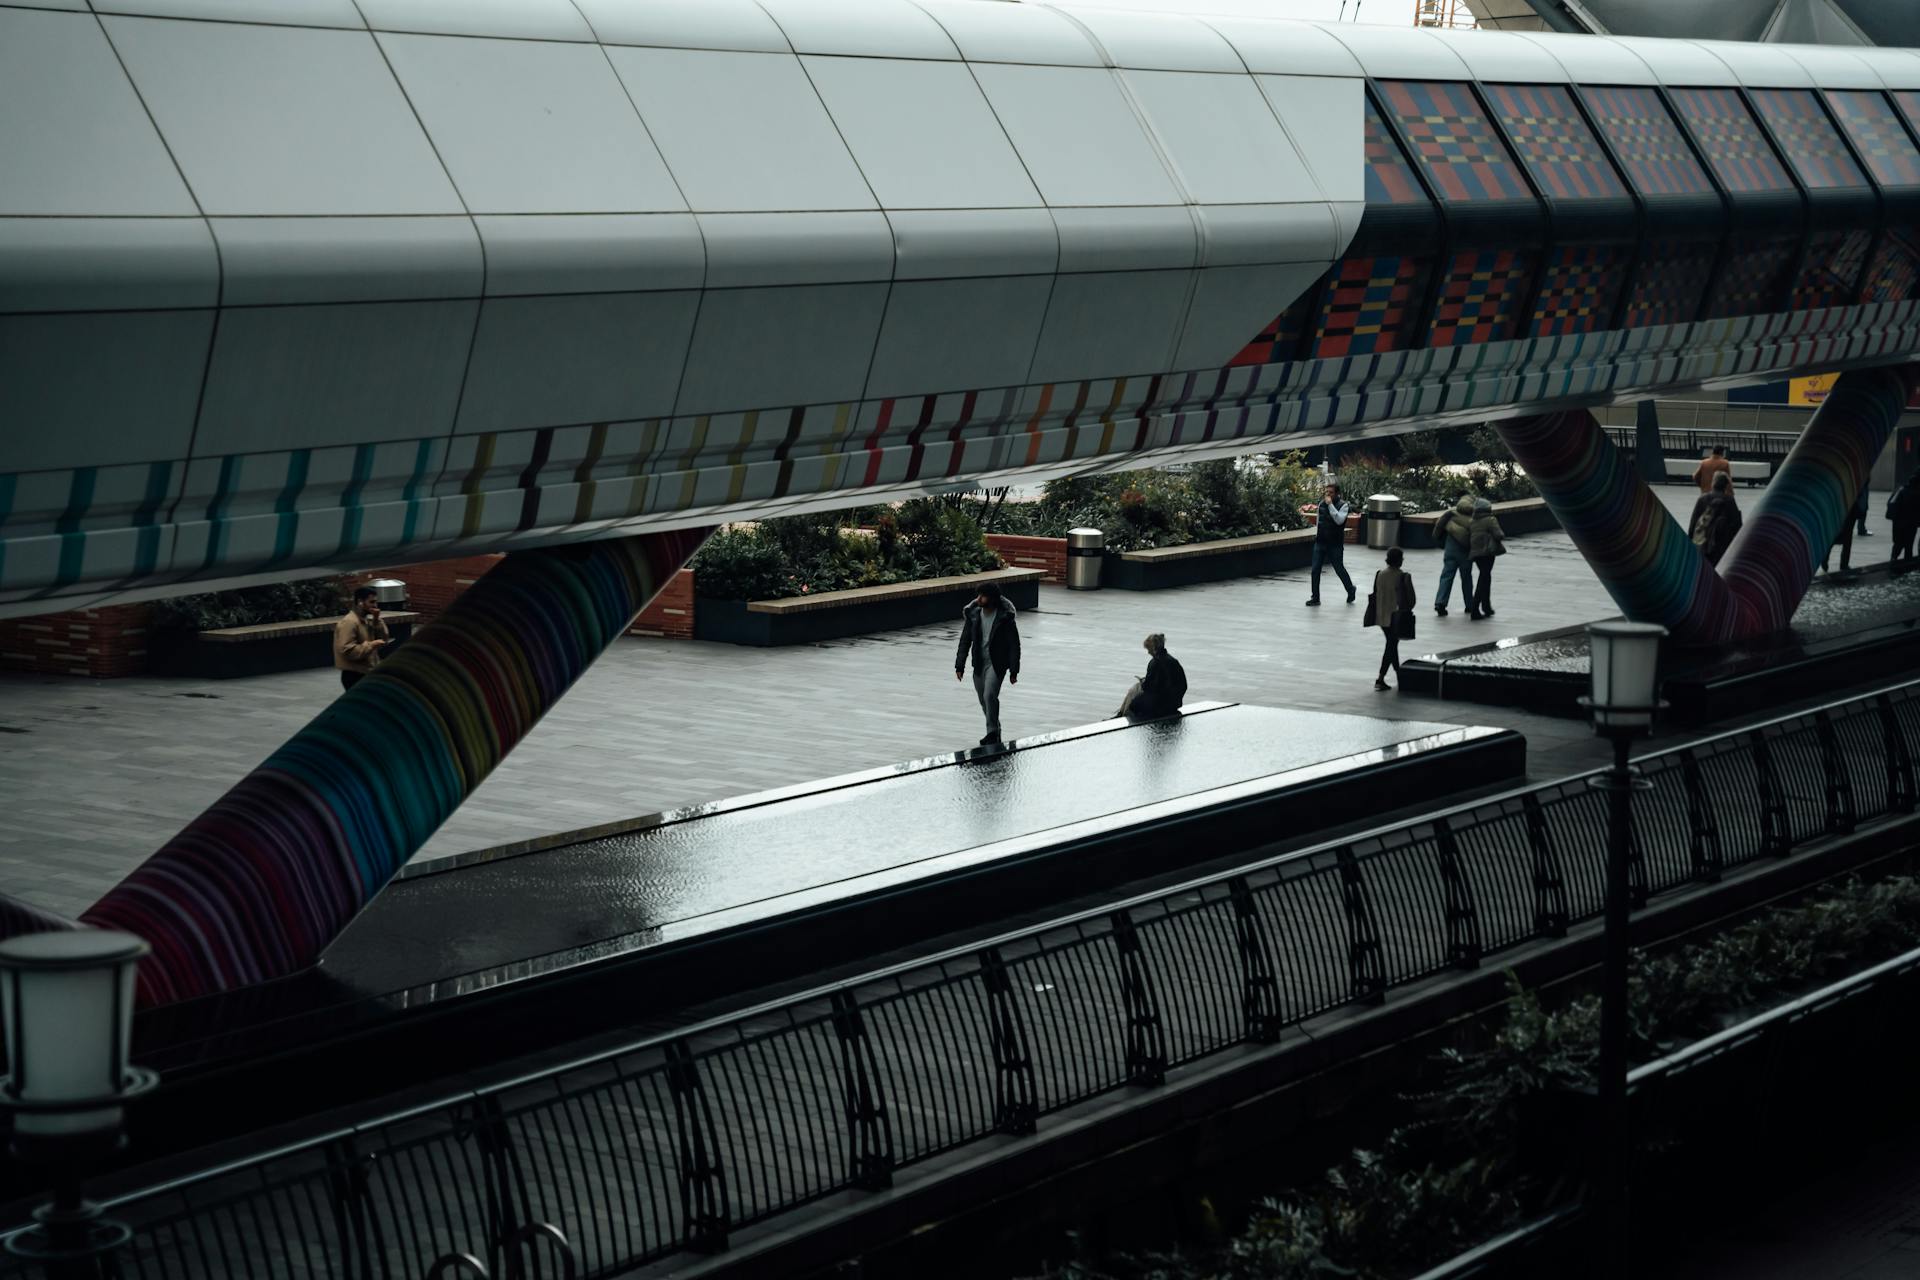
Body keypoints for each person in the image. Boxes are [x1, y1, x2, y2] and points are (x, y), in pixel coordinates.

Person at [954, 583, 1020, 747]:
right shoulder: (974, 615)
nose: (978, 599)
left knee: (989, 695)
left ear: (992, 599)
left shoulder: (1005, 618)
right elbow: (965, 641)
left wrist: (1013, 670)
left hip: (996, 664)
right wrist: (959, 665)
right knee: (983, 700)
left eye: (983, 596)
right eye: (978, 595)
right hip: (979, 663)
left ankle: (991, 732)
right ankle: (995, 729)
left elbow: (1014, 645)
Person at [1368, 546, 1418, 691]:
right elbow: (1412, 600)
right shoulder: (1403, 576)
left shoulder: (1379, 574)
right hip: (1397, 617)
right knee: (1391, 646)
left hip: (1380, 616)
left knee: (1392, 645)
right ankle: (1380, 678)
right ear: (1399, 561)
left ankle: (1397, 676)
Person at [1306, 482, 1356, 607]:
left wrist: (1331, 506)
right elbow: (1319, 521)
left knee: (1339, 568)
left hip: (1335, 543)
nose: (1328, 494)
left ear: (1337, 494)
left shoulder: (1343, 505)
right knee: (1315, 569)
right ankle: (1315, 597)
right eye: (1326, 492)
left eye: (1331, 492)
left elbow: (1339, 520)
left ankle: (1350, 589)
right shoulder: (1321, 504)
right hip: (1321, 542)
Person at [333, 586, 392, 692]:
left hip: (367, 672)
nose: (375, 606)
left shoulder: (367, 620)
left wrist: (376, 620)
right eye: (372, 602)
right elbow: (347, 650)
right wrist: (371, 645)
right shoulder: (349, 622)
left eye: (375, 602)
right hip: (354, 675)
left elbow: (384, 639)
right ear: (360, 602)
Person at [1116, 633, 1187, 720]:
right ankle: (1120, 713)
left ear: (1153, 648)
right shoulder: (1173, 661)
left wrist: (1143, 682)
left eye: (1148, 649)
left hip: (1160, 706)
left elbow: (1148, 687)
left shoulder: (1155, 663)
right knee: (1135, 689)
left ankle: (1121, 715)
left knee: (1134, 693)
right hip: (1174, 703)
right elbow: (1183, 685)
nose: (1148, 652)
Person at [1431, 494, 1475, 616]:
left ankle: (1440, 602)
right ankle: (1469, 604)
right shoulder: (1474, 517)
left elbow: (1438, 527)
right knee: (1466, 578)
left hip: (1450, 549)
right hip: (1466, 552)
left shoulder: (1451, 513)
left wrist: (1439, 542)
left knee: (1446, 576)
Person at [1687, 471, 1744, 566]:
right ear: (1726, 486)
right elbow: (1737, 525)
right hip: (1723, 545)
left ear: (1713, 483)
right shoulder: (1729, 501)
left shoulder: (1702, 499)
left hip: (1704, 544)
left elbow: (1693, 524)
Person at [1467, 497, 1505, 621]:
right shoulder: (1490, 520)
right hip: (1488, 553)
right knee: (1484, 578)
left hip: (1476, 553)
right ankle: (1475, 608)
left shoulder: (1472, 521)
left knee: (1485, 577)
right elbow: (1499, 535)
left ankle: (1486, 607)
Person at [1888, 477, 1920, 565]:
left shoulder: (1901, 490)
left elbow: (1891, 505)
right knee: (1908, 546)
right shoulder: (1917, 494)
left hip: (1898, 523)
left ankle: (1893, 560)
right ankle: (1907, 564)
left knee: (1897, 544)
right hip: (1910, 524)